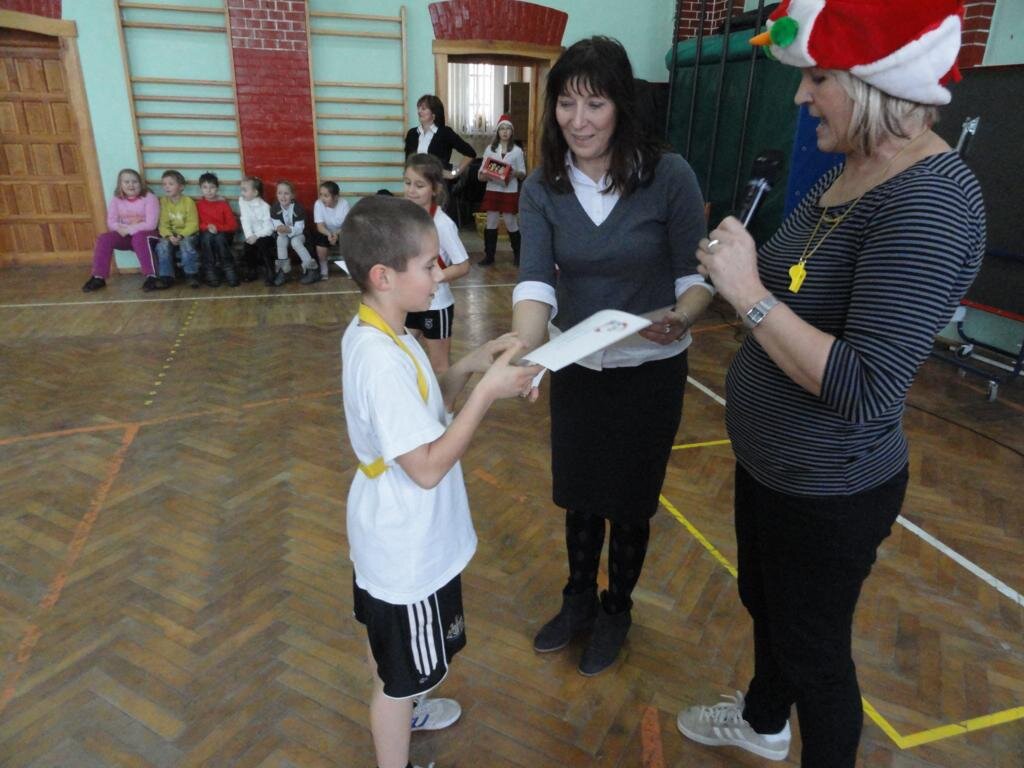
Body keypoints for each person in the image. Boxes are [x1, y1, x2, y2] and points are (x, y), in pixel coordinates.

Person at [675, 3, 984, 766]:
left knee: (815, 656)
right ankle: (763, 722)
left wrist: (748, 292)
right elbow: (796, 290)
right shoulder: (851, 169)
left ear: (878, 83)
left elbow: (867, 386)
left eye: (818, 78)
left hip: (829, 488)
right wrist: (735, 275)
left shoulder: (931, 200)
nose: (800, 96)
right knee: (768, 609)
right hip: (773, 468)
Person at [512, 36, 711, 676]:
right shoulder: (543, 185)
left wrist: (682, 317)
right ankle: (576, 601)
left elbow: (695, 277)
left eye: (594, 104)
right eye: (566, 104)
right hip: (578, 363)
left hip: (650, 370)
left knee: (629, 501)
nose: (579, 121)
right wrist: (525, 350)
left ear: (622, 106)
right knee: (579, 494)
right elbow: (535, 284)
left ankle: (616, 609)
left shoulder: (669, 176)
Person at [340, 195, 541, 768]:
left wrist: (473, 364)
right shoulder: (379, 359)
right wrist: (487, 393)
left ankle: (410, 709)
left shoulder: (387, 331)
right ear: (384, 276)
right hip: (405, 543)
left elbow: (427, 407)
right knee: (396, 679)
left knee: (395, 658)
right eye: (429, 266)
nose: (440, 274)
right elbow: (427, 467)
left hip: (397, 533)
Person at [402, 154, 471, 374]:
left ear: (435, 189)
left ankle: (444, 399)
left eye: (419, 185)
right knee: (404, 357)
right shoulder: (406, 217)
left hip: (436, 304)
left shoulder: (442, 224)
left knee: (440, 366)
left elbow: (463, 265)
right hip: (410, 300)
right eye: (407, 183)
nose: (411, 190)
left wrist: (437, 276)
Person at [82, 168, 162, 292]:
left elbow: (151, 224)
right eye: (126, 182)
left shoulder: (149, 198)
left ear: (140, 183)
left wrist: (129, 229)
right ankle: (98, 277)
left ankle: (152, 276)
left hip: (148, 236)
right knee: (104, 239)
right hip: (126, 235)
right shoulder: (116, 199)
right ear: (120, 184)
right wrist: (122, 228)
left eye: (134, 182)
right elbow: (111, 222)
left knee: (139, 237)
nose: (131, 185)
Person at [477, 114, 527, 266]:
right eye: (502, 128)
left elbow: (523, 173)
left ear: (512, 132)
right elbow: (481, 173)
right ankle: (489, 256)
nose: (505, 132)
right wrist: (486, 174)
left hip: (509, 190)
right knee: (491, 222)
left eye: (508, 129)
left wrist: (513, 173)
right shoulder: (490, 149)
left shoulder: (517, 151)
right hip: (492, 189)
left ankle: (519, 255)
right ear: (498, 131)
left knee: (510, 221)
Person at [404, 94, 477, 180]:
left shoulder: (445, 133)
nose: (419, 111)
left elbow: (470, 153)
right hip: (416, 182)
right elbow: (408, 162)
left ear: (434, 113)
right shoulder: (412, 133)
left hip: (438, 184)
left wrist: (453, 173)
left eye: (423, 109)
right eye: (418, 108)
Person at [154, 169, 200, 288]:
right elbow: (163, 224)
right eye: (164, 184)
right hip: (170, 234)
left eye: (171, 184)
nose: (166, 187)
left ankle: (191, 274)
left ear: (181, 187)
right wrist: (169, 236)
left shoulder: (188, 202)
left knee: (186, 244)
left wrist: (181, 235)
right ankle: (166, 276)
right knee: (162, 246)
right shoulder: (163, 202)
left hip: (187, 234)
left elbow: (193, 223)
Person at [270, 179, 318, 286]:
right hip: (284, 234)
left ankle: (312, 269)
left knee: (295, 242)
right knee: (280, 240)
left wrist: (289, 229)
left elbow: (300, 228)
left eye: (286, 193)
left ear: (292, 195)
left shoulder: (298, 208)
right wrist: (279, 228)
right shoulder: (275, 208)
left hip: (300, 234)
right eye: (280, 193)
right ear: (276, 195)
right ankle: (284, 271)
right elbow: (275, 224)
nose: (283, 196)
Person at [196, 172, 238, 288]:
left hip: (224, 235)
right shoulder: (199, 205)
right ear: (200, 189)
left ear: (217, 188)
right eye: (205, 187)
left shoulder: (223, 204)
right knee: (207, 236)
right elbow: (196, 224)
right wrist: (208, 227)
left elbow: (233, 225)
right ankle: (210, 270)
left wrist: (217, 228)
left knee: (219, 237)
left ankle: (228, 268)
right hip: (206, 236)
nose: (209, 191)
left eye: (212, 187)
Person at [237, 175, 276, 284]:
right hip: (252, 235)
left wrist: (256, 236)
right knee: (247, 246)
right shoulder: (242, 201)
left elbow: (269, 228)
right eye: (241, 190)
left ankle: (270, 271)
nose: (242, 193)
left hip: (265, 235)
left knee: (263, 246)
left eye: (245, 190)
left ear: (255, 192)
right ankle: (252, 271)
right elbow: (245, 220)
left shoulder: (264, 207)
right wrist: (249, 235)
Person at [312, 180, 350, 281]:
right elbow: (320, 226)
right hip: (325, 232)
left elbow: (347, 226)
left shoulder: (344, 204)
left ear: (336, 197)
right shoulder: (318, 204)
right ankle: (324, 267)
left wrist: (336, 234)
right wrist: (329, 234)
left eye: (326, 196)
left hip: (341, 231)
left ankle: (348, 266)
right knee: (319, 240)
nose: (322, 198)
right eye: (321, 195)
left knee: (350, 238)